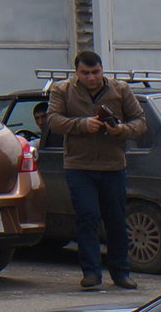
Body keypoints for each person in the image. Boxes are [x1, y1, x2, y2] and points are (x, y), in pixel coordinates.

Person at [43, 51, 149, 291]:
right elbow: (54, 120)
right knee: (87, 217)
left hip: (113, 166)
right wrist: (82, 124)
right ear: (76, 73)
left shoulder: (120, 89)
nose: (91, 78)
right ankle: (91, 273)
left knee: (116, 220)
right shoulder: (63, 90)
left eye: (95, 72)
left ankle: (121, 272)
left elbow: (140, 121)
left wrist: (121, 129)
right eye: (85, 73)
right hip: (79, 166)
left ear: (102, 70)